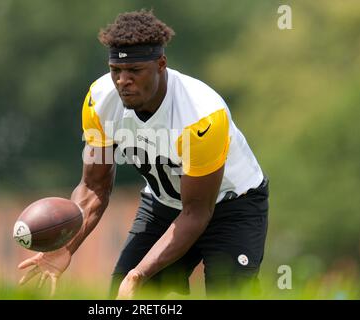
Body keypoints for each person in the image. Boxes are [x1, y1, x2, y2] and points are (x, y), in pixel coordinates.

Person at [17, 9, 269, 299]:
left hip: (232, 207)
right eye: (116, 71)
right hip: (163, 203)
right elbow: (94, 187)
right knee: (124, 297)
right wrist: (65, 246)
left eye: (135, 71)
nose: (123, 80)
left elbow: (196, 212)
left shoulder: (201, 115)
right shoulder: (99, 101)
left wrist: (140, 273)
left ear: (161, 64)